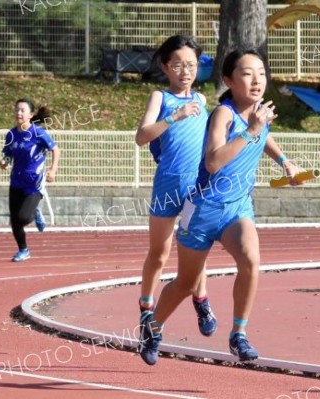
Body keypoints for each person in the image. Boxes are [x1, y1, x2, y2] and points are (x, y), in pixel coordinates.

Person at [138, 48, 301, 366]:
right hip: (201, 211)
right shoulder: (223, 114)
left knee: (251, 261)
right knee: (186, 283)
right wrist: (251, 130)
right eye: (247, 73)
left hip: (236, 209)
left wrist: (285, 161)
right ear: (228, 79)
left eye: (262, 73)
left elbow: (264, 136)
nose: (256, 80)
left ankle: (238, 334)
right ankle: (152, 327)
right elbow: (213, 161)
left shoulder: (261, 113)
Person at [134, 35, 217, 338]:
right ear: (166, 66)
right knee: (160, 253)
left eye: (192, 65)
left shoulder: (203, 101)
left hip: (196, 188)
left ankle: (202, 299)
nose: (186, 71)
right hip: (168, 186)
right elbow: (142, 137)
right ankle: (146, 307)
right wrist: (174, 116)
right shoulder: (160, 97)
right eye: (178, 65)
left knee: (196, 249)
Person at [0, 99, 60, 262]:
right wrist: (4, 162)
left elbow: (55, 149)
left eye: (22, 110)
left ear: (30, 115)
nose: (18, 113)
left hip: (34, 183)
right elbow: (7, 153)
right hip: (16, 181)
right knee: (15, 220)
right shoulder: (11, 134)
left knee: (24, 217)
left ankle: (35, 212)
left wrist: (53, 170)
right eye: (16, 110)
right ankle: (23, 250)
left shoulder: (38, 133)